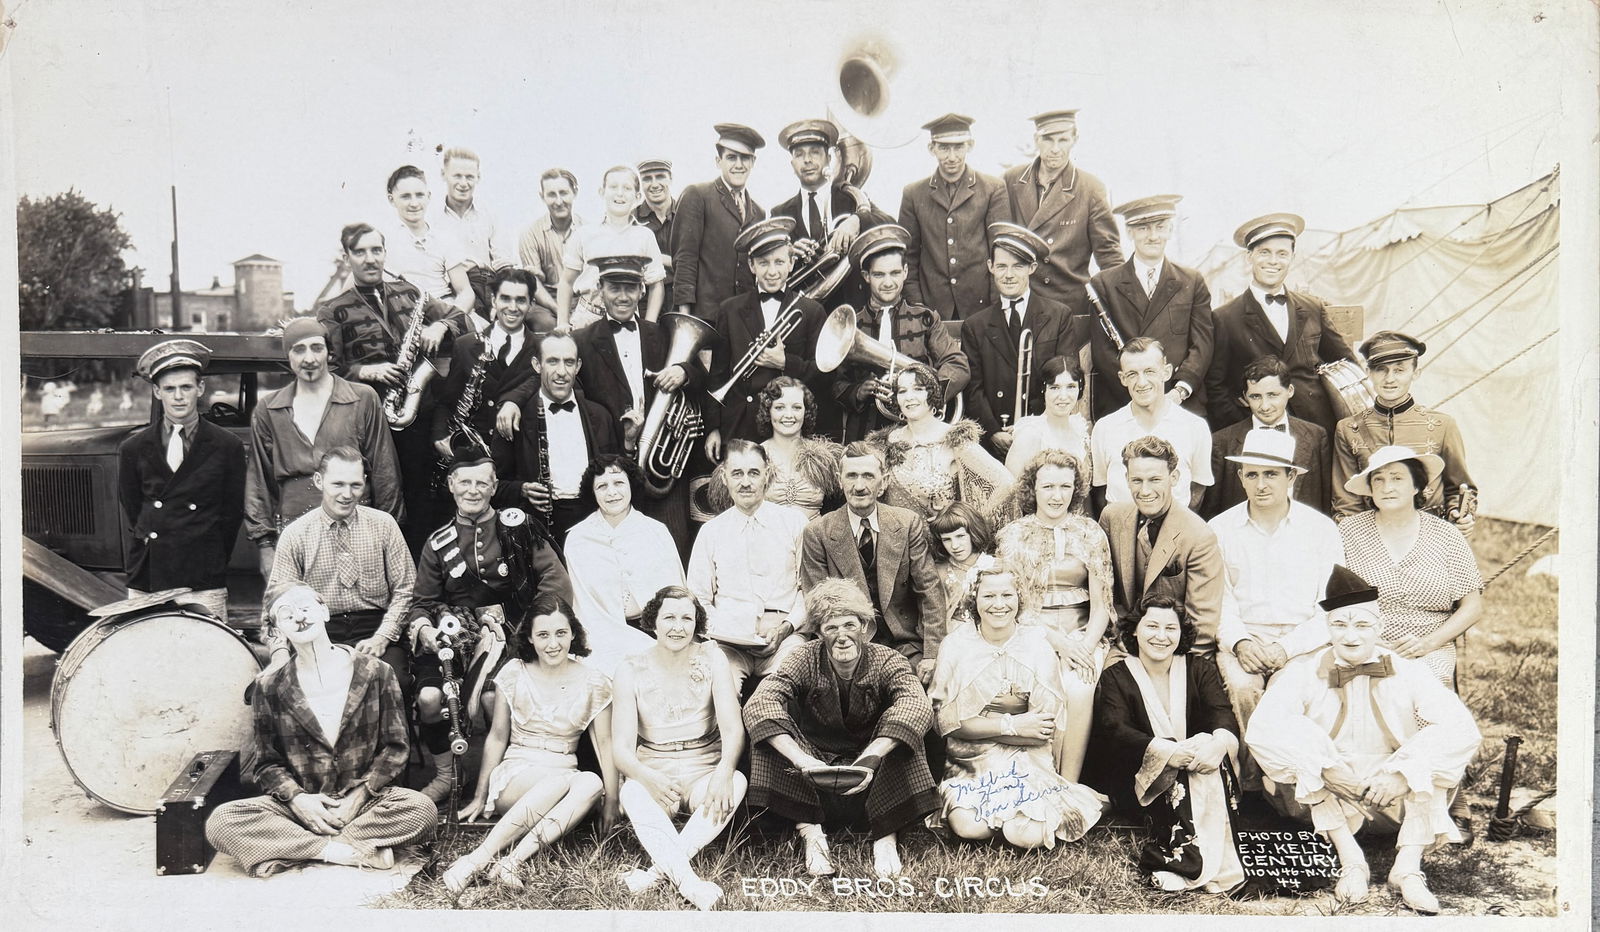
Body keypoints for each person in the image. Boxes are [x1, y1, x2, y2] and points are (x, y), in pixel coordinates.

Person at [1246, 566, 1481, 914]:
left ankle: (1407, 868)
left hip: (1391, 795)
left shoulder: (1410, 669)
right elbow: (1262, 730)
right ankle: (1351, 860)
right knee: (1303, 738)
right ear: (1327, 628)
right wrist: (1325, 770)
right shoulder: (1303, 671)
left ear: (1381, 627)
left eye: (1362, 625)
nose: (1350, 636)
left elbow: (1463, 729)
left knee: (1433, 748)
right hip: (1324, 799)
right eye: (1340, 625)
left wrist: (1401, 774)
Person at [206, 585, 437, 877]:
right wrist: (298, 800)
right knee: (221, 821)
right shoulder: (269, 687)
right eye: (287, 614)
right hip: (302, 809)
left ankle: (293, 849)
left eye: (305, 607)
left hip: (364, 803)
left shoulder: (377, 671)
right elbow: (267, 764)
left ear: (325, 612)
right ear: (278, 630)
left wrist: (360, 796)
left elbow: (395, 748)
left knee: (422, 809)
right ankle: (340, 852)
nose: (299, 617)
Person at [406, 443, 574, 802]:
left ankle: (501, 779)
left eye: (482, 483)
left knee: (493, 697)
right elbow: (423, 602)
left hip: (512, 632)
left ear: (494, 487)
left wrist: (532, 629)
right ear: (451, 485)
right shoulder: (438, 543)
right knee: (430, 698)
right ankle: (447, 774)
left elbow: (554, 583)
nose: (473, 491)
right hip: (454, 637)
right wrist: (426, 631)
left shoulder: (519, 527)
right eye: (464, 482)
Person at [744, 577, 940, 879]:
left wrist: (872, 756)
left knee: (907, 733)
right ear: (820, 632)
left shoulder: (887, 659)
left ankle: (885, 837)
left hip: (873, 776)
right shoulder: (803, 657)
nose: (842, 636)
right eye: (831, 627)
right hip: (812, 773)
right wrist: (802, 759)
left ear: (864, 627)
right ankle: (811, 834)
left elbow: (916, 704)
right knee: (767, 733)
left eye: (849, 625)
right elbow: (760, 703)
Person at [444, 596, 617, 893]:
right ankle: (475, 860)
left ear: (573, 634)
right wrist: (480, 794)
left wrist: (612, 800)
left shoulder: (594, 681)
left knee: (590, 782)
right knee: (565, 781)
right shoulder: (514, 672)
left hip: (566, 774)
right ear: (530, 638)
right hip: (517, 772)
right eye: (543, 635)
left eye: (561, 633)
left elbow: (605, 743)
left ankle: (512, 861)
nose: (553, 644)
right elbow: (497, 737)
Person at [316, 221, 469, 552]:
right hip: (368, 420)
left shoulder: (411, 293)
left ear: (385, 253)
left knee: (423, 499)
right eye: (360, 252)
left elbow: (461, 317)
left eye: (376, 250)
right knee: (379, 501)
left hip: (415, 415)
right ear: (347, 257)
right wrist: (367, 372)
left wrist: (441, 325)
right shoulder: (332, 310)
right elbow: (327, 367)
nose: (370, 259)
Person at [927, 566, 1106, 849]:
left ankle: (1054, 805)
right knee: (969, 828)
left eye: (1007, 595)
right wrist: (1013, 724)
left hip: (1025, 759)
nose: (999, 604)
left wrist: (978, 724)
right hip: (969, 761)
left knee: (1025, 835)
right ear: (974, 600)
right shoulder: (955, 645)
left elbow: (1042, 730)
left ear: (1019, 600)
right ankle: (1000, 817)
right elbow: (945, 724)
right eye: (988, 596)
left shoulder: (1036, 645)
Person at [1206, 428, 1343, 771]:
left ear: (1291, 476)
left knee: (1291, 693)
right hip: (1245, 639)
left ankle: (1289, 782)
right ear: (1240, 477)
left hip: (1303, 642)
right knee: (1242, 687)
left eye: (1271, 474)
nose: (1261, 484)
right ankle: (1252, 785)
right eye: (1252, 474)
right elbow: (1220, 600)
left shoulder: (1320, 530)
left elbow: (1330, 606)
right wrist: (1240, 643)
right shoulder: (1221, 529)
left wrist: (1286, 649)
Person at [1092, 595, 1245, 893]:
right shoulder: (1117, 676)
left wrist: (1218, 744)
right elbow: (1115, 732)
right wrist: (1170, 752)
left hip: (1204, 771)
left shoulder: (1199, 669)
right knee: (1188, 752)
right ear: (1135, 630)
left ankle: (1190, 863)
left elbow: (1222, 716)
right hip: (1144, 785)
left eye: (1170, 629)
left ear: (1180, 633)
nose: (1161, 636)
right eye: (1152, 626)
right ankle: (1197, 864)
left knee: (1209, 742)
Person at [612, 586, 747, 911]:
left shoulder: (714, 657)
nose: (678, 627)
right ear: (652, 622)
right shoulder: (629, 668)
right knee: (632, 792)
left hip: (703, 767)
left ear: (696, 622)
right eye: (669, 617)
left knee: (737, 782)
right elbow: (621, 750)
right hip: (655, 769)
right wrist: (647, 777)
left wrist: (724, 771)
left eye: (687, 618)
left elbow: (732, 729)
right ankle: (690, 883)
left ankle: (656, 873)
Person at [248, 319, 401, 579]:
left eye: (316, 348)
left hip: (357, 530)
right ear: (287, 355)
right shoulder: (269, 409)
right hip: (294, 533)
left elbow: (385, 472)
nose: (309, 358)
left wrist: (387, 538)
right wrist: (265, 546)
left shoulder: (362, 398)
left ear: (329, 352)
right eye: (299, 349)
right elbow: (258, 482)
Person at [992, 450, 1111, 780]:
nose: (1057, 496)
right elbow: (1015, 607)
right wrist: (1059, 644)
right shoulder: (1014, 535)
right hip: (1034, 631)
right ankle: (1039, 777)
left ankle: (1067, 785)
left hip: (1084, 633)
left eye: (1065, 486)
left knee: (1080, 687)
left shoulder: (1090, 533)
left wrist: (1084, 647)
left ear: (1076, 489)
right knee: (1046, 684)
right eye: (1048, 487)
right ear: (1033, 488)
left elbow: (1102, 606)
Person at [570, 253, 699, 550]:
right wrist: (623, 440)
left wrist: (683, 371)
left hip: (663, 470)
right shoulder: (582, 341)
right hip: (612, 468)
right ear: (599, 289)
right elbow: (578, 402)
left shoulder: (663, 333)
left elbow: (701, 378)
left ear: (642, 290)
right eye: (615, 288)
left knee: (672, 548)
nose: (623, 296)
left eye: (631, 288)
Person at [261, 447, 415, 685]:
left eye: (355, 485)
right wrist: (279, 652)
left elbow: (406, 588)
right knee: (310, 686)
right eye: (338, 484)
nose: (347, 494)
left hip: (375, 626)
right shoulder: (296, 534)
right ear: (319, 481)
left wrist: (383, 637)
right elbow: (276, 604)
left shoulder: (384, 525)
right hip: (318, 631)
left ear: (365, 483)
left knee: (393, 681)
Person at [118, 338, 246, 620]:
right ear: (156, 391)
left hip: (202, 576)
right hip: (150, 574)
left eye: (186, 387)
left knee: (205, 653)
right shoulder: (133, 448)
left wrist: (209, 555)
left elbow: (231, 515)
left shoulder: (227, 446)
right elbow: (133, 509)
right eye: (169, 388)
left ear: (200, 388)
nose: (178, 397)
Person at [800, 442, 947, 684]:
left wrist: (932, 654)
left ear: (884, 481)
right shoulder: (818, 533)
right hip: (846, 643)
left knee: (916, 697)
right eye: (851, 476)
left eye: (868, 476)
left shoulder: (907, 524)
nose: (859, 486)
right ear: (839, 480)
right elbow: (819, 607)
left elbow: (929, 591)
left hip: (904, 643)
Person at [1203, 212, 1360, 439]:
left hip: (1318, 432)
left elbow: (1346, 364)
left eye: (1282, 253)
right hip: (1259, 433)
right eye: (1264, 253)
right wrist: (1246, 429)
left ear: (1292, 257)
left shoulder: (1313, 307)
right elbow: (1216, 388)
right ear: (1249, 257)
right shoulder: (1224, 318)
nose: (1273, 261)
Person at [1338, 446, 1484, 688]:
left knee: (1425, 686)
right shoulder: (1349, 531)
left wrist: (1427, 643)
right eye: (1379, 480)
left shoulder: (1446, 534)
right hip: (1361, 644)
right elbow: (1329, 599)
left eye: (1397, 478)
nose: (1387, 487)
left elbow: (1473, 607)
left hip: (1428, 647)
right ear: (1370, 489)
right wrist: (1365, 641)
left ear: (1416, 486)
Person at [687, 440, 810, 691]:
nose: (745, 482)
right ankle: (728, 732)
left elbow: (808, 589)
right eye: (737, 473)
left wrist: (787, 628)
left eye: (754, 473)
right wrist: (724, 630)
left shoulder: (794, 522)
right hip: (728, 644)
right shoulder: (711, 532)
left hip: (785, 638)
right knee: (720, 686)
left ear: (767, 474)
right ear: (724, 477)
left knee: (787, 684)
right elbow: (698, 597)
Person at [832, 223, 971, 441]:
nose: (888, 282)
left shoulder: (925, 318)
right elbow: (835, 382)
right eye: (879, 275)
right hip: (865, 431)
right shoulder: (851, 324)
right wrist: (857, 392)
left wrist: (926, 391)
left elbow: (958, 365)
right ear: (866, 276)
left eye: (895, 273)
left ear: (905, 272)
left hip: (918, 430)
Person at [701, 217, 827, 453]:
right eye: (763, 263)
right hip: (740, 423)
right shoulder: (730, 309)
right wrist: (713, 427)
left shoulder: (811, 311)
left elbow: (822, 374)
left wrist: (785, 362)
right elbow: (717, 374)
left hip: (789, 425)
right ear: (752, 266)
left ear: (791, 263)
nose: (771, 271)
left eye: (779, 262)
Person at [1332, 331, 1476, 533]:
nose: (1390, 379)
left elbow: (1460, 488)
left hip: (1430, 536)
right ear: (1368, 373)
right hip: (1371, 537)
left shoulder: (1443, 425)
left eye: (1399, 370)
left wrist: (1460, 515)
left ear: (1415, 373)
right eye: (1381, 370)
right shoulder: (1348, 429)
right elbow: (1346, 501)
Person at [1088, 194, 1213, 420]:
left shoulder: (1192, 281)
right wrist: (1141, 393)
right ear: (1129, 232)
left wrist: (1179, 391)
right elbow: (1103, 353)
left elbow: (1202, 345)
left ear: (1170, 230)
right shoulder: (1103, 284)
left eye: (1160, 227)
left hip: (1180, 403)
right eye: (1143, 228)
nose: (1153, 236)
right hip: (1124, 403)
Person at [1098, 436, 1225, 652]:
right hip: (1120, 646)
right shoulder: (1112, 518)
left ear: (1173, 477)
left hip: (1175, 652)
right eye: (1137, 480)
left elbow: (1201, 627)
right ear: (1127, 479)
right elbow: (1106, 595)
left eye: (1155, 480)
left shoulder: (1199, 536)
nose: (1145, 491)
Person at [961, 222, 1077, 453]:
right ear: (990, 267)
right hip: (994, 438)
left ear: (1032, 268)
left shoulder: (1058, 316)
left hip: (1044, 433)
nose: (1009, 275)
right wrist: (993, 431)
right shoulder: (975, 325)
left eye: (1018, 266)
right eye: (1001, 266)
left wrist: (1031, 428)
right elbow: (973, 388)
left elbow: (1064, 378)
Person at [499, 331, 622, 542]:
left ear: (578, 366)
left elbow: (616, 474)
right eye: (553, 362)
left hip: (594, 522)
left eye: (569, 362)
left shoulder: (600, 416)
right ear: (537, 365)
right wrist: (523, 490)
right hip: (539, 528)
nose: (561, 372)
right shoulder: (515, 418)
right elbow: (495, 484)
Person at [564, 454, 680, 664]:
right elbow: (584, 608)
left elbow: (677, 595)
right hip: (599, 638)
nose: (612, 492)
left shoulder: (656, 532)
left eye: (619, 482)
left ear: (631, 485)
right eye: (602, 486)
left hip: (658, 635)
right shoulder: (577, 539)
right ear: (593, 492)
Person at [898, 113, 1012, 321]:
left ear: (970, 145)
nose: (951, 156)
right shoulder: (914, 194)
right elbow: (908, 257)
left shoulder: (993, 189)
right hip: (933, 312)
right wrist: (917, 307)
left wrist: (997, 307)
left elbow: (1002, 252)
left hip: (982, 309)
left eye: (958, 146)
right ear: (931, 149)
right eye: (943, 147)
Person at [870, 363, 1015, 525]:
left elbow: (1006, 484)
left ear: (932, 394)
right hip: (897, 544)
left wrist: (965, 520)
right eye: (902, 391)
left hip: (940, 545)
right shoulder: (888, 440)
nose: (909, 397)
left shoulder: (954, 439)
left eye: (918, 389)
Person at [430, 268, 543, 473]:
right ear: (493, 300)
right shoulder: (465, 345)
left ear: (532, 304)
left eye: (521, 300)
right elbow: (447, 403)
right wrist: (440, 436)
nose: (512, 307)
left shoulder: (544, 349)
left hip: (521, 465)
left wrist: (513, 400)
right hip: (475, 463)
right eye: (505, 298)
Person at [1091, 337, 1214, 511]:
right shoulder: (1105, 428)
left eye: (1149, 371)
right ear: (1122, 378)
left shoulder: (1194, 427)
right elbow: (1101, 490)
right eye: (1132, 374)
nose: (1141, 382)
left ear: (1166, 372)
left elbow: (1198, 490)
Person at [1204, 355, 1330, 517]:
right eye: (1256, 396)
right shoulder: (1222, 442)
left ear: (1289, 391)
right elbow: (1213, 509)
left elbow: (1324, 500)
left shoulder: (1316, 437)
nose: (1265, 406)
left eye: (1273, 395)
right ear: (1245, 397)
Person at [707, 375, 841, 520]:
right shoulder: (751, 456)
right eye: (779, 407)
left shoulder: (825, 459)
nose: (789, 415)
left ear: (806, 411)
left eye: (796, 407)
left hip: (814, 541)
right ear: (768, 411)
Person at [671, 123, 767, 319]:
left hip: (742, 320)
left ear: (753, 162)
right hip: (705, 318)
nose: (739, 165)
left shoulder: (759, 212)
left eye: (745, 158)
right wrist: (687, 319)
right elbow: (685, 259)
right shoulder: (697, 195)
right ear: (718, 161)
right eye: (731, 157)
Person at [555, 166, 668, 331]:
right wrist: (562, 322)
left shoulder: (645, 236)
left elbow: (657, 285)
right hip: (587, 317)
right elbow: (566, 281)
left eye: (627, 188)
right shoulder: (584, 234)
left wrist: (648, 326)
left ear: (637, 197)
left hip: (627, 318)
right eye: (613, 187)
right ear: (602, 192)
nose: (620, 193)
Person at [381, 165, 476, 318]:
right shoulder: (381, 239)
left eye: (419, 195)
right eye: (405, 196)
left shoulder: (444, 238)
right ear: (391, 199)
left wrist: (445, 324)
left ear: (428, 196)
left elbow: (465, 292)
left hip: (444, 311)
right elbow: (353, 285)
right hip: (403, 316)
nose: (414, 203)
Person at [434, 147, 517, 314]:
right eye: (457, 176)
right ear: (443, 175)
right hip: (451, 289)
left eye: (469, 177)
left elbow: (502, 262)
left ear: (478, 177)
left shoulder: (490, 214)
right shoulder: (432, 217)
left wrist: (501, 298)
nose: (464, 183)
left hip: (488, 283)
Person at [1003, 353, 1092, 477]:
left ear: (1080, 389)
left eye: (1071, 387)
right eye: (1055, 387)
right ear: (1043, 390)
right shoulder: (1031, 434)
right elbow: (1010, 489)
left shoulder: (1079, 431)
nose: (1063, 396)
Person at [517, 168, 583, 318]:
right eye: (552, 195)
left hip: (581, 299)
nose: (559, 201)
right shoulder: (530, 233)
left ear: (575, 193)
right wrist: (559, 310)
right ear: (542, 197)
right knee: (542, 323)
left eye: (564, 193)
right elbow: (534, 283)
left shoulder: (588, 231)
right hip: (547, 300)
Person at [928, 503, 993, 630]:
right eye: (947, 539)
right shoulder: (938, 572)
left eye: (960, 536)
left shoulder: (994, 566)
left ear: (974, 532)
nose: (955, 546)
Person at [635, 158, 677, 294]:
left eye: (660, 177)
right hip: (645, 298)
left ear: (670, 178)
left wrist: (656, 257)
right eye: (647, 179)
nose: (654, 184)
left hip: (682, 296)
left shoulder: (688, 213)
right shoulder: (632, 220)